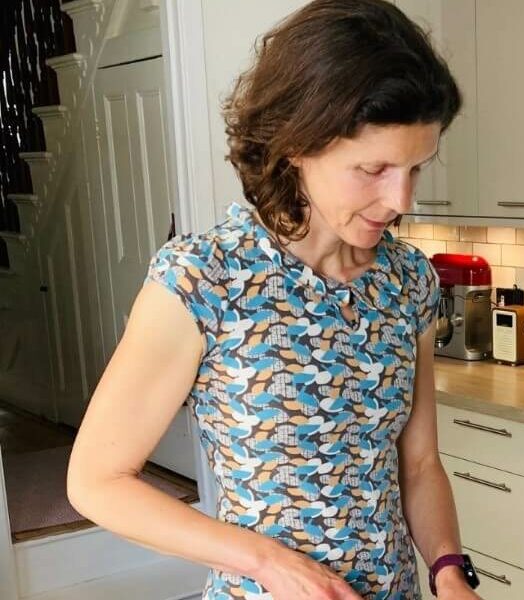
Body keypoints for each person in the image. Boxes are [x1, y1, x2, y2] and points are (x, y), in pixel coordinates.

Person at [66, 1, 483, 598]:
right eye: (373, 169)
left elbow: (418, 466)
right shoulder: (204, 278)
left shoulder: (408, 280)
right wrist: (268, 563)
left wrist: (449, 570)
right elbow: (97, 482)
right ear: (296, 146)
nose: (400, 200)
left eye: (416, 168)